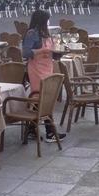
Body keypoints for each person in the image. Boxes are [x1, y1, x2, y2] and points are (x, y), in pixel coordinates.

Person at [22, 10, 66, 143]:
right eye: (47, 20)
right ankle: (49, 131)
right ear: (41, 20)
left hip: (47, 67)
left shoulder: (46, 33)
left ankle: (31, 129)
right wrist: (42, 50)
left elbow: (53, 52)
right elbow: (25, 52)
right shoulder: (32, 33)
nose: (49, 22)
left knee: (44, 97)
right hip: (36, 69)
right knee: (41, 96)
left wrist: (59, 53)